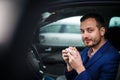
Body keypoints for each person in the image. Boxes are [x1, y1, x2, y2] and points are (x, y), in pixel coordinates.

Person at [62, 13, 120, 80]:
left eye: (90, 30)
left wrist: (79, 67)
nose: (85, 36)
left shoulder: (112, 57)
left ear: (102, 31)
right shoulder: (87, 50)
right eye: (82, 31)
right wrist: (70, 65)